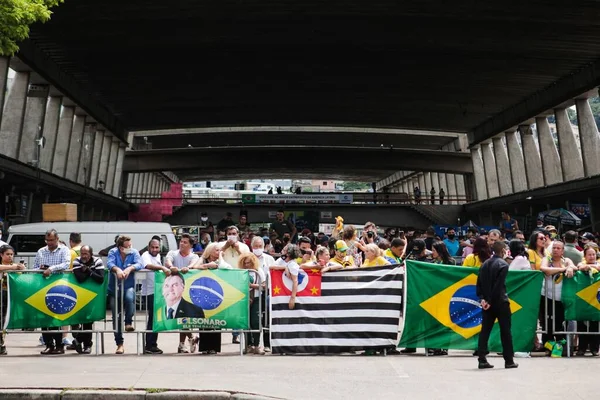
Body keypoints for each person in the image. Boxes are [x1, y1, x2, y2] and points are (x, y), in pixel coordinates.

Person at [476, 241, 518, 369]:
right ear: (503, 250)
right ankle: (508, 360)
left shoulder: (484, 264)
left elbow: (479, 284)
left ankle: (482, 359)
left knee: (485, 331)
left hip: (487, 303)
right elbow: (498, 286)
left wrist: (483, 299)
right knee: (505, 331)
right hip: (500, 302)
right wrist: (489, 300)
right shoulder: (503, 265)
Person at [34, 229, 70, 355]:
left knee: (57, 316)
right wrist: (41, 269)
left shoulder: (64, 250)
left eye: (51, 240)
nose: (49, 242)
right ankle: (49, 344)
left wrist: (51, 269)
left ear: (57, 239)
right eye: (47, 240)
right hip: (43, 287)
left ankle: (60, 345)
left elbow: (66, 264)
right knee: (44, 317)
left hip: (59, 287)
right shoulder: (41, 251)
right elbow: (35, 267)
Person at [191, 242, 231, 354]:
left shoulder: (221, 260)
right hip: (202, 292)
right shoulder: (203, 259)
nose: (219, 252)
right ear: (210, 251)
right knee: (204, 320)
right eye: (216, 250)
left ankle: (214, 347)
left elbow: (227, 269)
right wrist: (207, 266)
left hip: (216, 293)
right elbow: (194, 267)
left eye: (219, 250)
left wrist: (219, 260)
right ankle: (204, 347)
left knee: (216, 321)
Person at [107, 235, 143, 355]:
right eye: (127, 246)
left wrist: (130, 268)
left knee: (129, 298)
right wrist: (117, 269)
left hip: (128, 286)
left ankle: (128, 322)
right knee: (115, 316)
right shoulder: (113, 252)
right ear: (121, 248)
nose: (130, 248)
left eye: (130, 245)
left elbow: (140, 264)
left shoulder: (134, 252)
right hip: (114, 288)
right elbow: (110, 264)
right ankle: (119, 344)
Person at [165, 233, 201, 353]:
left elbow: (194, 264)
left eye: (185, 242)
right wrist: (171, 267)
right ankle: (190, 338)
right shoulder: (173, 253)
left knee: (183, 317)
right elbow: (168, 261)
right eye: (181, 241)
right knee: (180, 317)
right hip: (174, 290)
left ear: (191, 245)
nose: (182, 243)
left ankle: (182, 344)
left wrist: (189, 268)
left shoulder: (194, 256)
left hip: (189, 290)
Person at [539, 240, 576, 353]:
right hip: (546, 296)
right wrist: (561, 269)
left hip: (561, 297)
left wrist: (569, 268)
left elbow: (574, 267)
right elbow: (544, 269)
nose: (555, 250)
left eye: (558, 248)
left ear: (562, 250)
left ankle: (561, 346)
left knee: (560, 321)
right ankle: (548, 346)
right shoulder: (547, 259)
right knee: (547, 322)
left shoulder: (566, 260)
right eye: (554, 247)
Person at [71, 245, 105, 354]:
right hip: (79, 294)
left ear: (91, 254)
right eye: (82, 253)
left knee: (89, 319)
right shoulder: (76, 261)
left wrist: (88, 271)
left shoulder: (98, 261)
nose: (83, 256)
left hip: (94, 294)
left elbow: (100, 279)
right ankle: (86, 344)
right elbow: (80, 279)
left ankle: (80, 340)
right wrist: (91, 273)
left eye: (86, 254)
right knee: (85, 319)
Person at [140, 238, 170, 355]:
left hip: (157, 292)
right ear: (148, 247)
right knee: (153, 319)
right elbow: (147, 265)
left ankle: (152, 344)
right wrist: (162, 268)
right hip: (148, 292)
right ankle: (150, 345)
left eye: (157, 247)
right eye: (152, 247)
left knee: (155, 318)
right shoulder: (145, 255)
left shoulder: (157, 257)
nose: (154, 249)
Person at [0, 245, 26, 355]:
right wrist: (13, 267)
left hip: (10, 296)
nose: (10, 256)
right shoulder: (4, 266)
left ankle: (1, 343)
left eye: (11, 254)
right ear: (1, 255)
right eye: (7, 254)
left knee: (4, 320)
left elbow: (22, 276)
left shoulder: (16, 267)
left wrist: (22, 268)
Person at [575, 245, 600, 356]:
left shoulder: (598, 264)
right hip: (583, 298)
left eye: (593, 254)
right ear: (585, 256)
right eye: (589, 254)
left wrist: (591, 268)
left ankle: (595, 348)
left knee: (595, 322)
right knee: (582, 323)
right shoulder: (581, 263)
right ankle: (582, 348)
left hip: (596, 298)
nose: (591, 256)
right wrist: (586, 267)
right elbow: (579, 266)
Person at [238, 253, 266, 355]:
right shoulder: (241, 271)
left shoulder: (258, 270)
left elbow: (264, 285)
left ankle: (257, 345)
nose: (246, 265)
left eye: (248, 263)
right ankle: (248, 345)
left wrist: (251, 285)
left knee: (256, 321)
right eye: (244, 263)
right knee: (246, 322)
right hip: (244, 299)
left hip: (257, 298)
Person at [273, 244, 302, 310]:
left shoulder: (293, 265)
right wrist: (284, 267)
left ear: (288, 254)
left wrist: (292, 298)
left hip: (290, 293)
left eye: (283, 250)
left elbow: (295, 281)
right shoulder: (282, 260)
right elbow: (271, 266)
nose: (281, 251)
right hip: (283, 292)